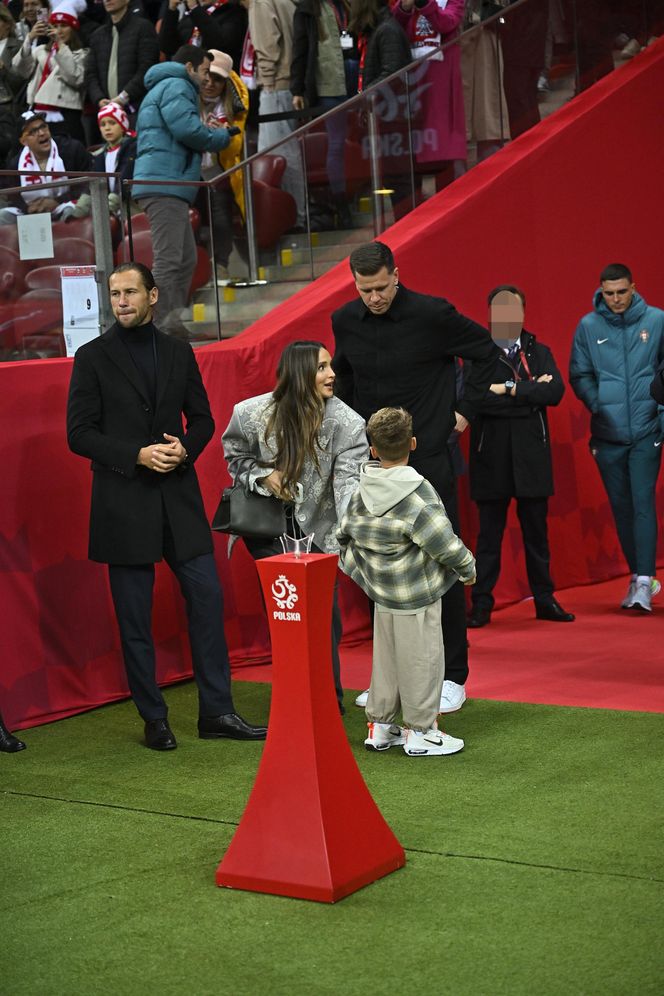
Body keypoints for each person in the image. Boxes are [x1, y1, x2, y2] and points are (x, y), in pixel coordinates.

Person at [66, 262, 267, 750]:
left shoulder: (178, 351)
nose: (121, 302)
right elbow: (79, 434)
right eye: (114, 294)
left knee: (207, 599)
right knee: (133, 618)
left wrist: (185, 449)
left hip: (177, 499)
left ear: (153, 296)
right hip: (123, 502)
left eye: (130, 292)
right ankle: (153, 718)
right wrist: (135, 454)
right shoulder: (92, 357)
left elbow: (202, 419)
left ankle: (217, 711)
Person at [332, 241, 499, 714]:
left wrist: (464, 413)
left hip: (429, 460)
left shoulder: (433, 314)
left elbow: (486, 353)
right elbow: (343, 380)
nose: (374, 298)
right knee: (378, 564)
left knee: (440, 565)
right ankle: (391, 680)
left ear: (396, 275)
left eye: (381, 287)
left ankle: (453, 676)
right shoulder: (344, 320)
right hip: (373, 467)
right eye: (365, 290)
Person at [222, 339, 369, 713]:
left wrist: (352, 537)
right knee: (286, 618)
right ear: (299, 372)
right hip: (267, 534)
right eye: (321, 367)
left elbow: (348, 485)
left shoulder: (348, 424)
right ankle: (292, 698)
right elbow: (235, 456)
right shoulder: (251, 413)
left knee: (324, 620)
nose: (332, 374)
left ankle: (326, 701)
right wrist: (264, 476)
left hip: (320, 535)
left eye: (330, 365)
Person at [337, 407, 475, 756]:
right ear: (413, 443)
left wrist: (365, 573)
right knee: (423, 660)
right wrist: (468, 568)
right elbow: (443, 541)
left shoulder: (360, 491)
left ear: (373, 450)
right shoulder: (418, 493)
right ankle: (422, 731)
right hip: (417, 594)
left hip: (382, 595)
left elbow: (343, 537)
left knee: (386, 659)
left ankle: (380, 726)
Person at [467, 284, 574, 627]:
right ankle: (481, 604)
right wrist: (530, 395)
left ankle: (544, 600)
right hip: (491, 458)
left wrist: (510, 388)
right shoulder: (478, 353)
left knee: (536, 536)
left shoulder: (538, 350)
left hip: (531, 457)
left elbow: (555, 390)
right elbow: (478, 399)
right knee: (488, 539)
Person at [570, 263, 664, 612]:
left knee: (642, 503)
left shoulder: (656, 321)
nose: (615, 299)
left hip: (646, 430)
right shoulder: (588, 326)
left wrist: (658, 410)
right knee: (622, 508)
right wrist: (598, 405)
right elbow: (578, 374)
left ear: (633, 287)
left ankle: (643, 581)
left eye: (621, 292)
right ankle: (637, 576)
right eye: (608, 293)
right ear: (601, 291)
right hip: (607, 434)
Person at [132, 44, 236, 334]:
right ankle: (159, 327)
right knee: (169, 258)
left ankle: (172, 322)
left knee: (187, 258)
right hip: (163, 183)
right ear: (189, 68)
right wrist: (221, 136)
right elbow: (188, 130)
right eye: (203, 71)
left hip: (168, 182)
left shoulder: (169, 86)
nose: (206, 78)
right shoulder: (176, 85)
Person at [290, 0, 358, 228]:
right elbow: (300, 48)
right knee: (336, 145)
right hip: (326, 85)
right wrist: (297, 88)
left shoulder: (344, 5)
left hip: (351, 81)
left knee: (350, 142)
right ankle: (341, 204)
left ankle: (350, 196)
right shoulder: (307, 9)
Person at [248, 0, 306, 229]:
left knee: (278, 155)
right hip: (288, 82)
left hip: (276, 85)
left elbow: (268, 47)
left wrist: (269, 82)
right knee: (286, 151)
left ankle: (295, 218)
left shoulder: (261, 2)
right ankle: (296, 215)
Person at [198, 48, 249, 284]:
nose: (210, 83)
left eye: (217, 79)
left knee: (221, 219)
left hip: (218, 174)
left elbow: (236, 147)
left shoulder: (232, 110)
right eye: (207, 76)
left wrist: (222, 137)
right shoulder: (187, 100)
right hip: (189, 174)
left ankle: (221, 265)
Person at [11, 0, 88, 145]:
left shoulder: (82, 54)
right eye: (55, 26)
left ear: (73, 29)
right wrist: (30, 38)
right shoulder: (41, 51)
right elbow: (19, 69)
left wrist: (60, 46)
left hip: (66, 116)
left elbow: (76, 78)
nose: (59, 30)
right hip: (36, 114)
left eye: (64, 26)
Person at [0, 109, 92, 224]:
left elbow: (86, 185)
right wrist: (27, 207)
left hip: (63, 206)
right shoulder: (16, 164)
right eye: (33, 131)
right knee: (2, 217)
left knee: (71, 211)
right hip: (30, 213)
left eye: (43, 127)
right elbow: (12, 196)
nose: (42, 133)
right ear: (23, 141)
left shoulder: (72, 149)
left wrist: (57, 201)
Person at [84, 0, 160, 119]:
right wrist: (99, 99)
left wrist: (124, 97)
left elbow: (147, 68)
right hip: (107, 115)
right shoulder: (97, 35)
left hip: (137, 111)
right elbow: (90, 74)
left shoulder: (143, 27)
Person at [158, 0, 247, 72]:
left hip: (216, 77)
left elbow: (221, 45)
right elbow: (168, 47)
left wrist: (195, 9)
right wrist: (171, 10)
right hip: (187, 74)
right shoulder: (192, 14)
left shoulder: (234, 12)